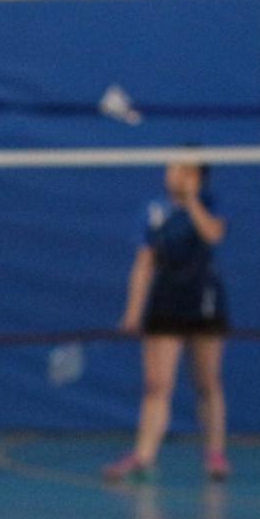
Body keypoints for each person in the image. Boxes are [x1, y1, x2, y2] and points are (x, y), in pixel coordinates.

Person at [104, 162, 230, 483]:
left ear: (195, 175)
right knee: (156, 385)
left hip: (204, 300)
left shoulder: (210, 202)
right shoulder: (153, 210)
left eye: (178, 168)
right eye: (170, 168)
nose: (170, 173)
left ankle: (215, 455)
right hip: (165, 301)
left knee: (208, 383)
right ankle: (144, 456)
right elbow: (144, 262)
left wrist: (192, 201)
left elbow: (213, 234)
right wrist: (133, 311)